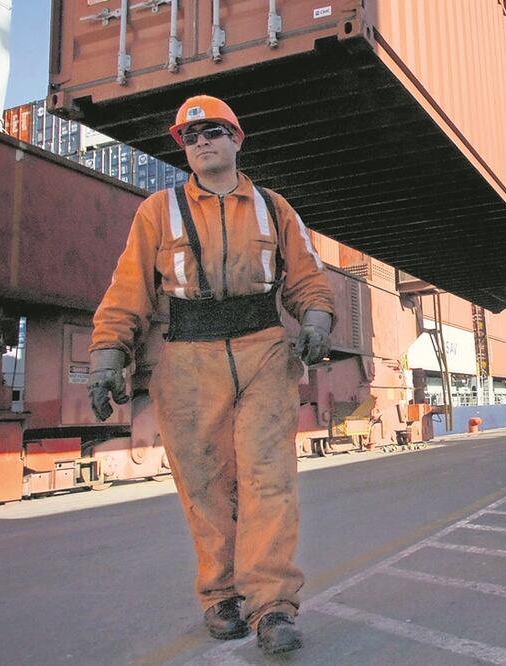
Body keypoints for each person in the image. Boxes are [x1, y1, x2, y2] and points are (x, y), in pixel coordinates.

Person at [87, 95, 336, 656]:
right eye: (189, 136)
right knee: (204, 485)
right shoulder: (158, 211)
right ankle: (221, 595)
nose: (201, 141)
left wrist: (316, 319)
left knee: (268, 480)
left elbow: (307, 279)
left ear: (237, 138)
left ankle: (272, 605)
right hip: (187, 360)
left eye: (213, 131)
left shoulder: (274, 208)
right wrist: (107, 357)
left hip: (263, 354)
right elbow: (128, 290)